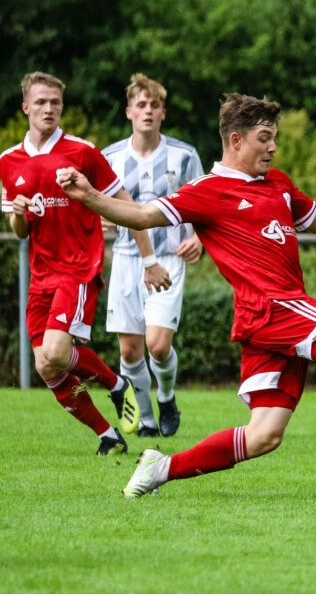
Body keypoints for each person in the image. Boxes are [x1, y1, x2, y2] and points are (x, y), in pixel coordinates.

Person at [59, 93, 316, 498]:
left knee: (263, 436)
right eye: (264, 137)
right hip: (273, 306)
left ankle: (161, 467)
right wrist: (90, 196)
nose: (273, 146)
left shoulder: (276, 183)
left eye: (274, 137)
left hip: (268, 317)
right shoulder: (207, 189)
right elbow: (143, 215)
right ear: (235, 140)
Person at [0, 72, 142, 455]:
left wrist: (148, 254)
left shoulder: (82, 152)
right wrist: (17, 214)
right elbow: (21, 232)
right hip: (41, 273)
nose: (49, 109)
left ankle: (116, 383)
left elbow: (124, 200)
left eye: (55, 103)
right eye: (41, 102)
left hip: (79, 267)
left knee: (58, 353)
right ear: (26, 106)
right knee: (47, 366)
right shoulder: (8, 162)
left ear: (62, 107)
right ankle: (107, 436)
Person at [102, 74, 205, 438]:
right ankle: (146, 421)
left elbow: (205, 208)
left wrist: (200, 240)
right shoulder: (109, 158)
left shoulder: (185, 155)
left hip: (168, 258)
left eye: (154, 105)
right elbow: (98, 209)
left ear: (163, 112)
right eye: (140, 105)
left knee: (158, 346)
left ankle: (167, 396)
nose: (147, 111)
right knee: (130, 353)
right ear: (129, 112)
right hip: (126, 261)